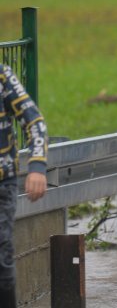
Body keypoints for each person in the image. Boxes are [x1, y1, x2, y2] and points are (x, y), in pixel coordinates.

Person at [0, 64, 48, 307]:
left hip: (1, 184)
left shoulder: (3, 76)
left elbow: (35, 123)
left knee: (1, 258)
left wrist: (37, 166)